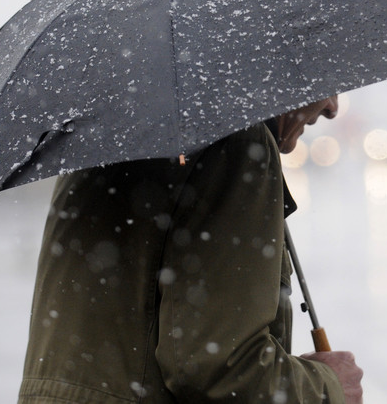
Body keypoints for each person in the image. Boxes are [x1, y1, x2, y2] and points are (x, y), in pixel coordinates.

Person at [19, 96, 364, 404]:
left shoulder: (107, 133)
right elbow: (218, 368)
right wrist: (329, 389)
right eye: (328, 84)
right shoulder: (235, 139)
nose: (332, 107)